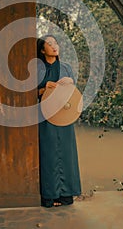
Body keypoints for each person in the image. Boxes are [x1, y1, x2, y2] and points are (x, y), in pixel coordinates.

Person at [37, 34, 81, 208]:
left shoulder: (66, 68)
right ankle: (49, 195)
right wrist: (43, 89)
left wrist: (69, 84)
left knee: (67, 154)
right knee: (48, 155)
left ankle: (66, 194)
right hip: (45, 117)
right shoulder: (37, 70)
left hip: (65, 116)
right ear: (42, 50)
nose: (54, 46)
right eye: (49, 44)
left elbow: (74, 95)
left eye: (55, 43)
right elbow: (28, 95)